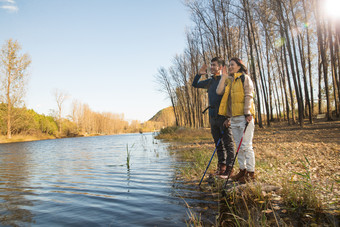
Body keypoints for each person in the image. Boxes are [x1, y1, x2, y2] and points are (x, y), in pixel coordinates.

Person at [192, 57, 234, 177]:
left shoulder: (226, 80)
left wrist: (229, 118)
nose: (211, 67)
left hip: (224, 116)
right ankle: (222, 167)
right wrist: (198, 74)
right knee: (218, 144)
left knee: (228, 143)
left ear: (220, 67)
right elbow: (195, 84)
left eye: (214, 65)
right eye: (211, 65)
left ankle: (230, 169)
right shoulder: (210, 81)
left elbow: (231, 99)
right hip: (212, 117)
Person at [216, 58, 256, 183]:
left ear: (239, 66)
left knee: (246, 146)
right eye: (229, 65)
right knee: (238, 145)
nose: (230, 66)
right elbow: (220, 92)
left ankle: (251, 173)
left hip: (245, 117)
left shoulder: (245, 78)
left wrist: (247, 112)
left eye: (232, 65)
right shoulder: (230, 80)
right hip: (234, 118)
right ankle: (242, 171)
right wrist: (223, 77)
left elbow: (249, 96)